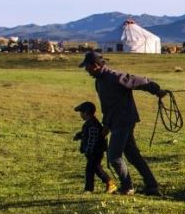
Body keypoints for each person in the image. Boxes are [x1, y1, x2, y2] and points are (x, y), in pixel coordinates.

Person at [79, 50, 168, 196]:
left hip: (124, 121)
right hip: (115, 123)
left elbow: (139, 81)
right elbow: (107, 106)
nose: (86, 71)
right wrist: (106, 125)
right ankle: (152, 186)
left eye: (87, 67)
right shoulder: (99, 82)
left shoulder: (115, 77)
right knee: (133, 156)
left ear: (95, 65)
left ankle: (127, 187)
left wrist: (157, 90)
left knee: (114, 156)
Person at [72, 101, 116, 193]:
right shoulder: (90, 123)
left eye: (81, 112)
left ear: (86, 113)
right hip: (94, 151)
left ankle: (89, 189)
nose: (80, 115)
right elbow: (86, 133)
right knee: (96, 168)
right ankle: (110, 183)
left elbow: (92, 138)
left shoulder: (92, 124)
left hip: (95, 152)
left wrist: (89, 151)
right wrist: (79, 135)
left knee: (90, 170)